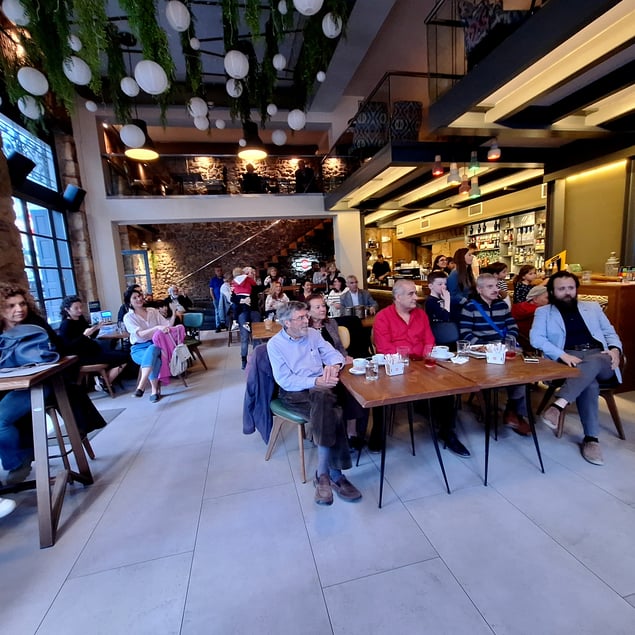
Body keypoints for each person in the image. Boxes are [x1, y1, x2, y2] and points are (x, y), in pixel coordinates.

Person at [268, 301, 362, 506]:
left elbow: (334, 355)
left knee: (331, 399)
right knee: (332, 409)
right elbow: (285, 380)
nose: (306, 320)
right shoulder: (275, 345)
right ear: (286, 322)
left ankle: (323, 476)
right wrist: (316, 382)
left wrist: (333, 367)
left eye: (306, 316)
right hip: (294, 392)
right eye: (301, 318)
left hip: (321, 387)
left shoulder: (312, 334)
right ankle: (335, 475)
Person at [530, 271, 622, 466]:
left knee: (594, 362)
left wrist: (615, 350)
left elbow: (609, 332)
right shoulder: (544, 312)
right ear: (552, 292)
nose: (567, 292)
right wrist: (562, 355)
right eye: (562, 289)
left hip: (601, 357)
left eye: (571, 288)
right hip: (569, 358)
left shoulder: (593, 307)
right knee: (589, 383)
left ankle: (557, 406)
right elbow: (536, 339)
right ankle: (591, 439)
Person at [373, 279, 470, 457]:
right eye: (411, 294)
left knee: (448, 387)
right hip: (396, 368)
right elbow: (384, 348)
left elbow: (429, 341)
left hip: (422, 363)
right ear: (398, 297)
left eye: (415, 293)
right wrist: (412, 356)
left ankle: (447, 432)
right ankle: (377, 435)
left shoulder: (421, 314)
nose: (416, 297)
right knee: (378, 394)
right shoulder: (382, 317)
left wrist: (424, 357)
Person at [0, 284, 61, 485]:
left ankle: (18, 462)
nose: (19, 309)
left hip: (38, 384)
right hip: (7, 387)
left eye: (22, 304)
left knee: (0, 420)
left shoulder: (36, 326)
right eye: (11, 306)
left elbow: (58, 352)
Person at [459, 273, 530, 435]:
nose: (495, 289)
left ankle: (513, 410)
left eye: (496, 286)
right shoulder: (470, 307)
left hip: (502, 347)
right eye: (490, 286)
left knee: (522, 375)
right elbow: (465, 333)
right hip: (481, 350)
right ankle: (495, 409)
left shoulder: (501, 306)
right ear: (479, 289)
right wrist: (484, 346)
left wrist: (507, 342)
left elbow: (513, 327)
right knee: (492, 372)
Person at [306, 294, 369, 450]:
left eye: (323, 306)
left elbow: (339, 347)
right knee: (338, 389)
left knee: (355, 386)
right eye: (317, 307)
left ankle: (352, 432)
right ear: (308, 311)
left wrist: (345, 357)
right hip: (317, 370)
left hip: (337, 365)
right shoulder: (305, 329)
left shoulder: (331, 323)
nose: (323, 309)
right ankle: (333, 434)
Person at [58, 295, 128, 390]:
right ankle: (104, 381)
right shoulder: (65, 325)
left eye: (81, 307)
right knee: (124, 357)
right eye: (76, 308)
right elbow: (68, 347)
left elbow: (92, 336)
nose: (80, 310)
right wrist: (84, 335)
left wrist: (97, 328)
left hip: (93, 351)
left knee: (122, 354)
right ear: (67, 310)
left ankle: (103, 381)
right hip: (82, 357)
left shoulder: (80, 319)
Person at [123, 287, 176, 403]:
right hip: (138, 349)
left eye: (139, 296)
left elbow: (167, 325)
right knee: (153, 356)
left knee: (153, 348)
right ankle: (153, 389)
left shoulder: (153, 311)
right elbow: (140, 334)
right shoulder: (128, 317)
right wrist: (156, 328)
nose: (139, 299)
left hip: (156, 345)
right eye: (134, 298)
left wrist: (173, 313)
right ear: (129, 302)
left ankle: (141, 386)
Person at [447, 247, 476, 319]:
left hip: (468, 308)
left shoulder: (467, 273)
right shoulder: (454, 274)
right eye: (469, 255)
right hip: (459, 310)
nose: (472, 257)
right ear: (462, 257)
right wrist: (465, 301)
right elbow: (452, 294)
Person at [231, 266, 258, 334]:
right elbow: (232, 298)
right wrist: (243, 301)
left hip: (239, 297)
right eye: (249, 272)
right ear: (244, 273)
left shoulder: (234, 281)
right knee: (246, 309)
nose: (251, 274)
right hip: (246, 297)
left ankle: (235, 322)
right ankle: (246, 323)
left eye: (252, 272)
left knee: (237, 308)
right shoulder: (248, 279)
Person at [209, 266, 227, 332]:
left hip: (224, 299)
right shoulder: (213, 280)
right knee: (217, 312)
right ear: (215, 272)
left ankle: (225, 324)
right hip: (217, 299)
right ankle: (218, 326)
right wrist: (214, 299)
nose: (219, 272)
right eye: (217, 271)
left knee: (225, 311)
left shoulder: (224, 279)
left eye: (220, 270)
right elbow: (211, 290)